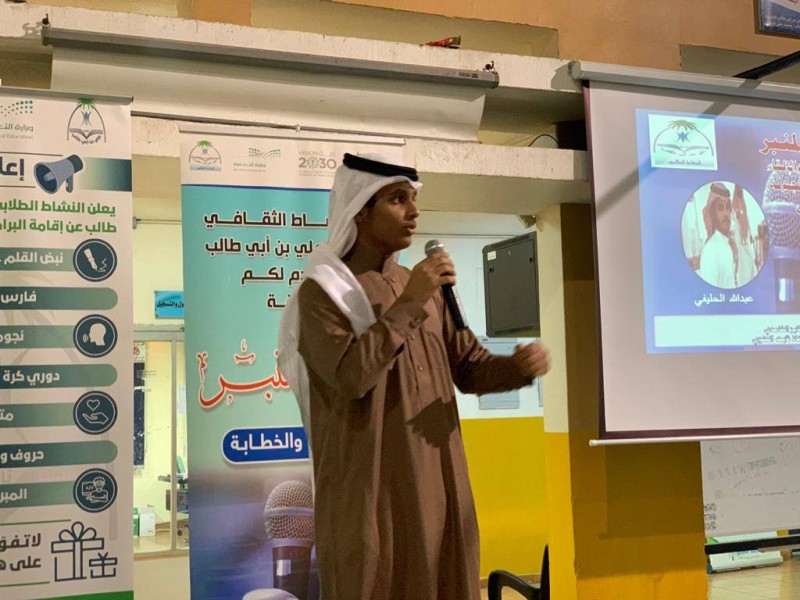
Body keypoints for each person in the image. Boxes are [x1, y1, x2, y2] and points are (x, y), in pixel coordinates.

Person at [278, 153, 550, 600]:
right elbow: (350, 377)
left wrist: (515, 369)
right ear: (360, 210)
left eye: (413, 199)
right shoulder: (324, 293)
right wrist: (411, 299)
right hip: (373, 492)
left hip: (440, 482)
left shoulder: (426, 288)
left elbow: (468, 367)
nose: (414, 212)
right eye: (397, 199)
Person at [699, 182, 738, 289]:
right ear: (713, 215)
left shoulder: (728, 244)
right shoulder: (710, 251)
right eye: (720, 208)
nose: (725, 213)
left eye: (727, 207)